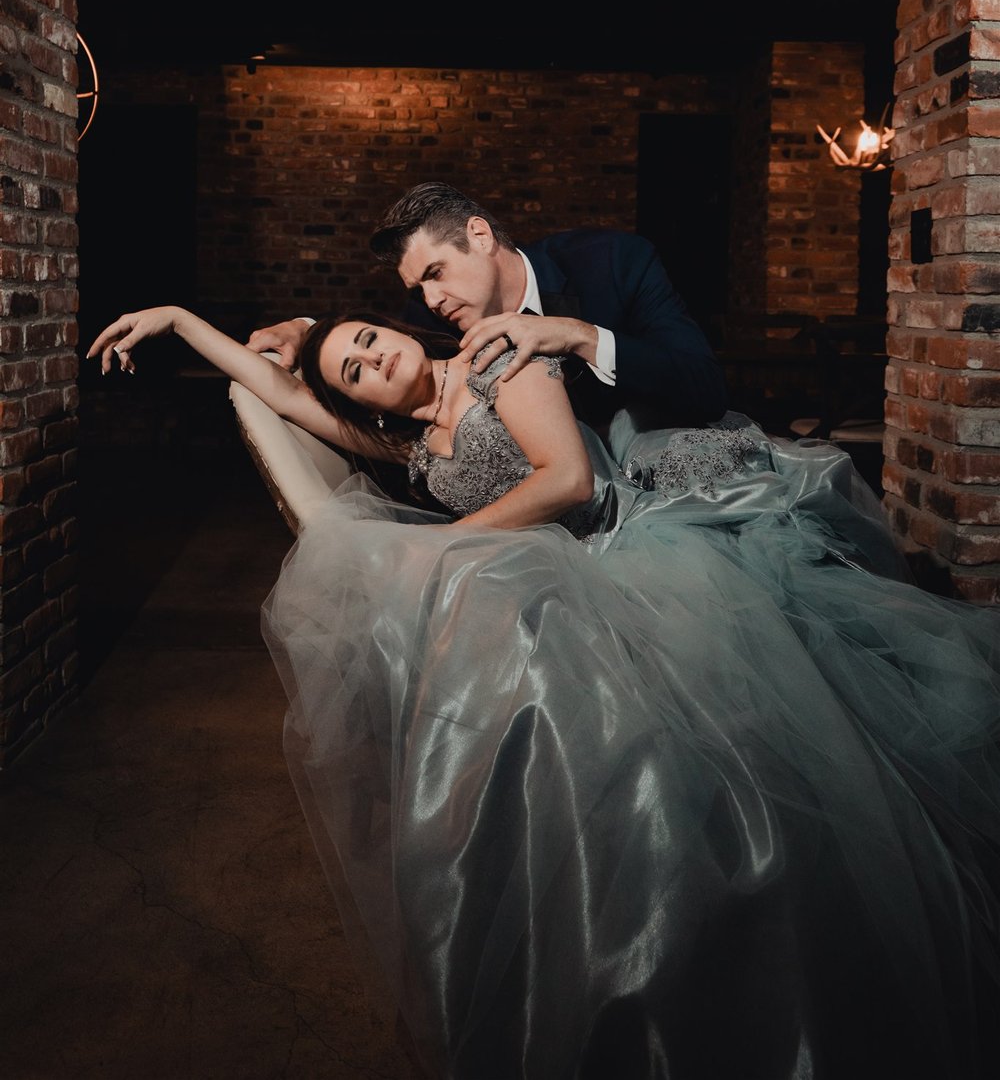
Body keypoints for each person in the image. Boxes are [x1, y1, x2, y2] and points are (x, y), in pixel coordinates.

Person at [87, 304, 1000, 1080]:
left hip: (646, 532)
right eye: (354, 370)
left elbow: (564, 482)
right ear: (355, 402)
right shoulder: (397, 441)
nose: (372, 358)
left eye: (369, 336)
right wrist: (177, 319)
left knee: (755, 726)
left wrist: (441, 553)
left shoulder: (494, 360)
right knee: (583, 747)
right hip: (560, 576)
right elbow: (280, 393)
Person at [246, 182, 728, 436]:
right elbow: (367, 342)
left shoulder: (615, 263)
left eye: (435, 273)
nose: (430, 300)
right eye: (419, 290)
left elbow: (706, 390)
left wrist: (580, 335)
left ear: (480, 236)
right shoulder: (431, 323)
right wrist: (305, 331)